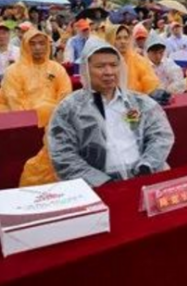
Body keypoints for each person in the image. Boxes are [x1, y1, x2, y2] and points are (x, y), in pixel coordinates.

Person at [48, 39, 174, 187]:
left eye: (114, 65)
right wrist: (100, 182)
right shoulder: (69, 108)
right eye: (100, 66)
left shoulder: (139, 103)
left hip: (145, 177)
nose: (109, 72)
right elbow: (63, 155)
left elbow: (161, 135)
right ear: (86, 69)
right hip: (98, 186)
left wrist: (147, 166)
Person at [0, 28, 71, 124]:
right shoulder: (13, 71)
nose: (37, 47)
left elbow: (65, 94)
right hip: (24, 122)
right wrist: (32, 118)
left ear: (47, 46)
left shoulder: (56, 68)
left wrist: (54, 114)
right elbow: (13, 100)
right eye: (32, 44)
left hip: (54, 119)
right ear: (25, 46)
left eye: (42, 43)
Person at [106, 24, 160, 95]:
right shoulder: (103, 62)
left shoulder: (139, 61)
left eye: (126, 38)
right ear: (110, 40)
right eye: (118, 38)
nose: (123, 41)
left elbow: (151, 84)